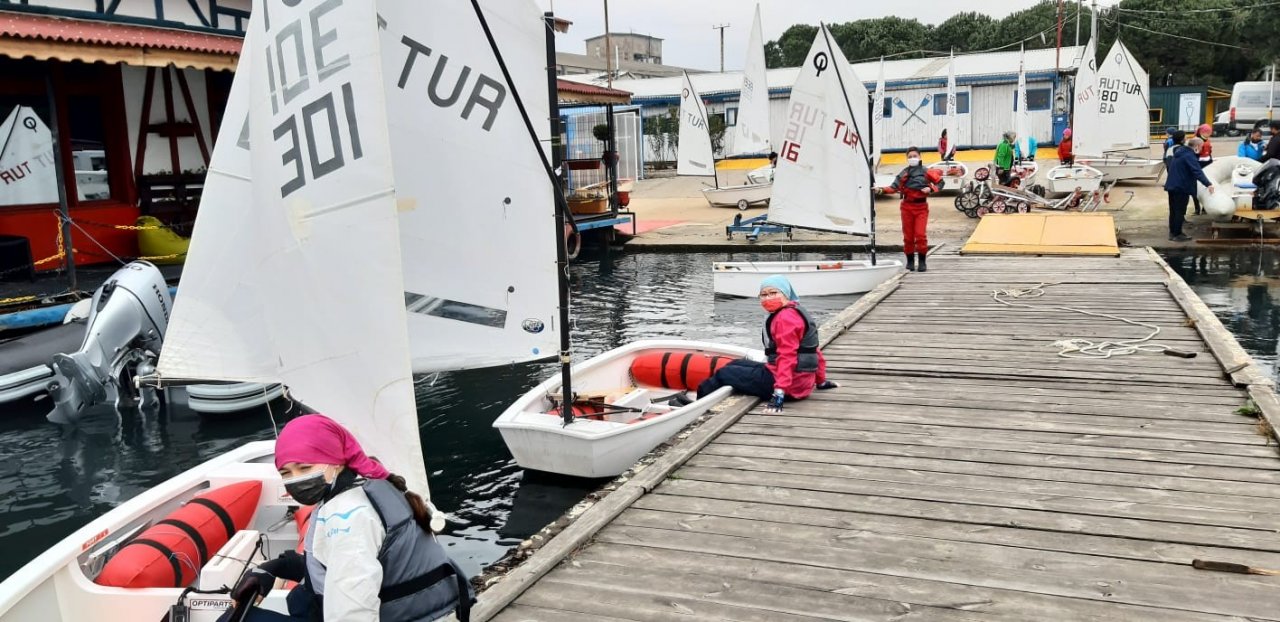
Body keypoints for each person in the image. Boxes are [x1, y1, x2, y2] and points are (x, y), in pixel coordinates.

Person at [226, 415, 473, 622]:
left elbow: (353, 609)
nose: (296, 479)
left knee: (233, 618)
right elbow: (334, 565)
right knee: (298, 601)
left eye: (305, 468)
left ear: (335, 462)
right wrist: (275, 568)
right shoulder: (367, 489)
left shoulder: (348, 517)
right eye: (286, 473)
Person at [696, 276, 836, 412]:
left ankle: (697, 407)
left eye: (773, 293)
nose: (768, 298)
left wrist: (779, 394)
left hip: (791, 387)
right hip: (803, 382)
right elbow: (813, 351)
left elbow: (787, 357)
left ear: (786, 294)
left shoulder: (785, 318)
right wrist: (821, 381)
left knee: (724, 373)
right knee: (734, 364)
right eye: (764, 294)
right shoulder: (796, 311)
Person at [877, 146, 940, 272]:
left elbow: (941, 183)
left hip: (921, 207)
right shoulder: (904, 173)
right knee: (908, 237)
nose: (912, 158)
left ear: (920, 157)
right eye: (910, 157)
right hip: (906, 207)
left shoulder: (927, 171)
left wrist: (931, 189)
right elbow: (893, 187)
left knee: (920, 235)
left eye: (914, 156)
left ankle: (922, 262)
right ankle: (910, 262)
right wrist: (880, 189)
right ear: (907, 159)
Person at [1164, 131, 1215, 243]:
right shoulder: (1188, 155)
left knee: (1173, 211)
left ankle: (1173, 232)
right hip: (1181, 187)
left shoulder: (1180, 152)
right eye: (1201, 147)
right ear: (1196, 146)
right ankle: (1177, 234)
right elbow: (1197, 171)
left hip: (1172, 186)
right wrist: (1208, 184)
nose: (1202, 149)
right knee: (1179, 211)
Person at [1190, 123, 1214, 215]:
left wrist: (1211, 161)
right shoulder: (1195, 141)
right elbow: (1193, 154)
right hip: (1198, 165)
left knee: (1207, 186)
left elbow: (1209, 152)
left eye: (1209, 132)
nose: (1207, 134)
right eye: (1205, 132)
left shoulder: (1208, 141)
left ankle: (1205, 208)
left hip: (1207, 164)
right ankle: (1197, 208)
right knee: (1194, 187)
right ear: (1200, 132)